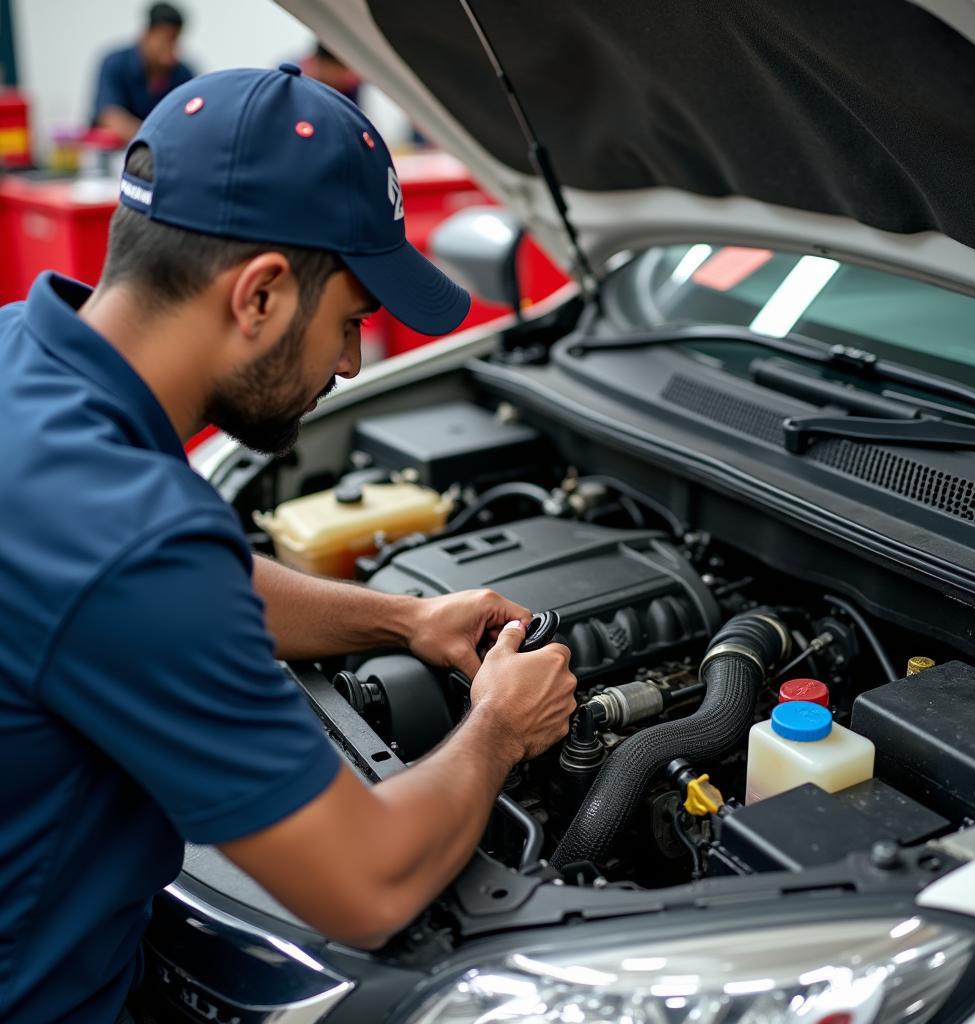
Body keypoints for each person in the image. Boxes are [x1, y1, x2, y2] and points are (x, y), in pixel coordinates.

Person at [0, 64, 577, 1024]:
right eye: (351, 322)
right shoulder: (128, 538)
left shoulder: (27, 351)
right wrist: (501, 729)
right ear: (260, 295)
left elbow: (166, 588)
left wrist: (404, 621)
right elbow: (365, 886)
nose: (353, 365)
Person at [90, 2, 194, 144]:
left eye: (174, 40)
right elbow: (109, 116)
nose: (170, 48)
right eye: (165, 39)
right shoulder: (115, 64)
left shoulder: (183, 74)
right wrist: (154, 140)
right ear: (147, 34)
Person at [301, 41, 361, 106]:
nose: (345, 76)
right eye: (338, 70)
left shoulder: (350, 83)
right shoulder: (301, 82)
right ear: (322, 64)